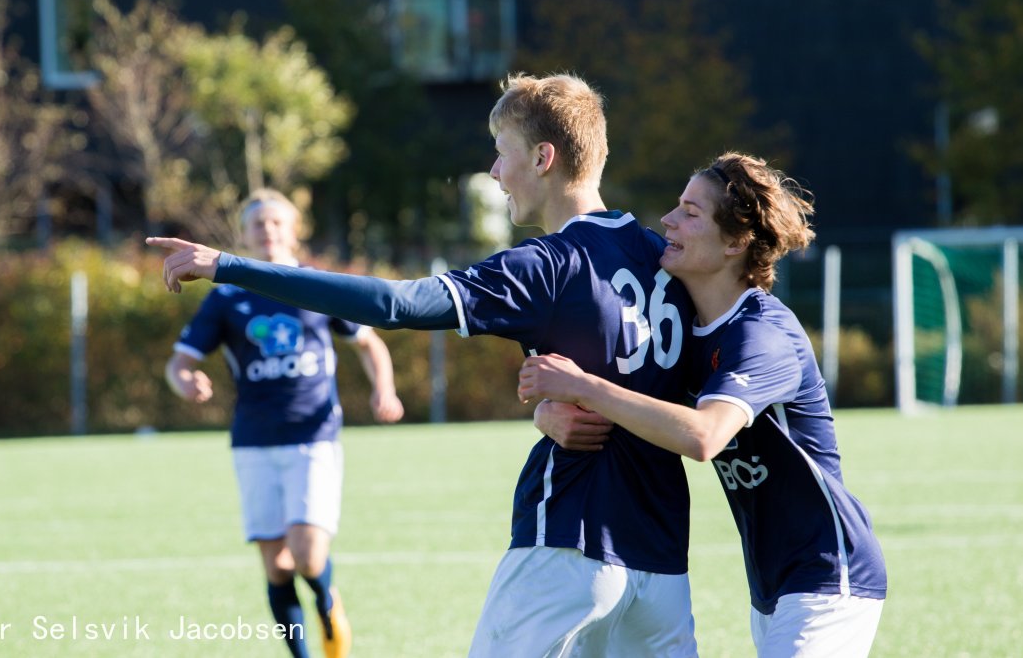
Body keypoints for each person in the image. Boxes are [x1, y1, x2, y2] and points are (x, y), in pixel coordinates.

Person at [149, 73, 700, 657]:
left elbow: (394, 304)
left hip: (570, 542)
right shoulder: (660, 255)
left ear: (543, 158)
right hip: (662, 560)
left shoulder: (547, 264)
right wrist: (551, 407)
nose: (493, 172)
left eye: (501, 153)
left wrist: (230, 266)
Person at [521, 152, 887, 658]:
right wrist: (550, 412)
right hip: (772, 582)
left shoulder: (763, 334)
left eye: (691, 213)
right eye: (676, 206)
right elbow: (638, 404)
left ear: (736, 242)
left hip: (829, 574)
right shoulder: (687, 330)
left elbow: (702, 435)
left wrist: (584, 387)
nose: (668, 221)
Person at [161, 188, 405, 658]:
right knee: (276, 566)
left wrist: (384, 388)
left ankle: (329, 603)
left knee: (308, 553)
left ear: (294, 231)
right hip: (253, 442)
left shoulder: (317, 286)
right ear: (244, 236)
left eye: (276, 222)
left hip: (313, 437)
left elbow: (369, 343)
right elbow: (179, 363)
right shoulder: (226, 297)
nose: (267, 231)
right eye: (257, 224)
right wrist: (185, 381)